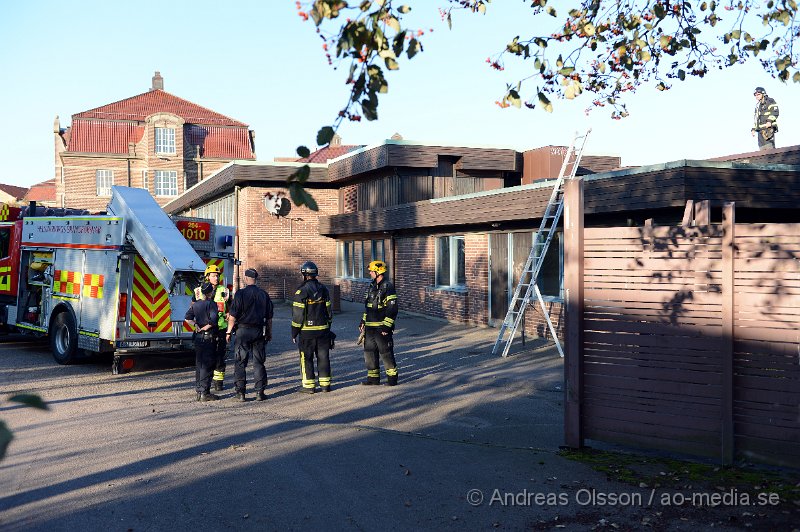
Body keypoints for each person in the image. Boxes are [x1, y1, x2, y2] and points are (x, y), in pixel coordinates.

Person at [225, 268, 273, 402]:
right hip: (258, 331)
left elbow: (233, 316)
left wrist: (228, 332)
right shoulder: (264, 294)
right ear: (255, 279)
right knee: (258, 362)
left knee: (240, 362)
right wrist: (269, 333)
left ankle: (240, 393)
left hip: (243, 332)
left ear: (246, 278)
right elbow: (269, 318)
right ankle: (259, 392)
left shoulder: (240, 294)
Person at [291, 261, 333, 394]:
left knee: (306, 358)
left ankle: (309, 386)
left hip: (307, 332)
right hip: (323, 330)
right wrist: (328, 326)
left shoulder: (301, 291)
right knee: (323, 357)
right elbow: (329, 311)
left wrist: (294, 332)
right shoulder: (324, 289)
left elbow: (298, 315)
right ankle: (325, 385)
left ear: (304, 274)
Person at [360, 260, 399, 386]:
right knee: (369, 353)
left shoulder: (388, 287)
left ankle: (392, 379)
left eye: (371, 271)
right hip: (370, 327)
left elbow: (392, 309)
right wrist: (363, 321)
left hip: (382, 328)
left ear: (378, 272)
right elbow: (368, 307)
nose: (370, 273)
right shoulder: (372, 286)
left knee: (386, 353)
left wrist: (386, 327)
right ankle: (373, 379)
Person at [184, 282, 221, 402]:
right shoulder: (212, 304)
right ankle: (205, 393)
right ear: (211, 292)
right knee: (207, 365)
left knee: (199, 364)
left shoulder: (196, 305)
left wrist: (196, 325)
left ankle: (199, 392)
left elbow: (187, 318)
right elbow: (213, 321)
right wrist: (204, 328)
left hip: (198, 338)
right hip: (208, 338)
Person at [203, 264, 230, 392]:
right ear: (207, 277)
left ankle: (218, 383)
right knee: (208, 356)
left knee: (220, 356)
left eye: (218, 276)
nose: (216, 278)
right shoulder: (200, 291)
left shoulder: (224, 290)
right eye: (214, 276)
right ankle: (206, 382)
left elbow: (230, 309)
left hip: (220, 329)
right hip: (207, 329)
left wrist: (229, 315)